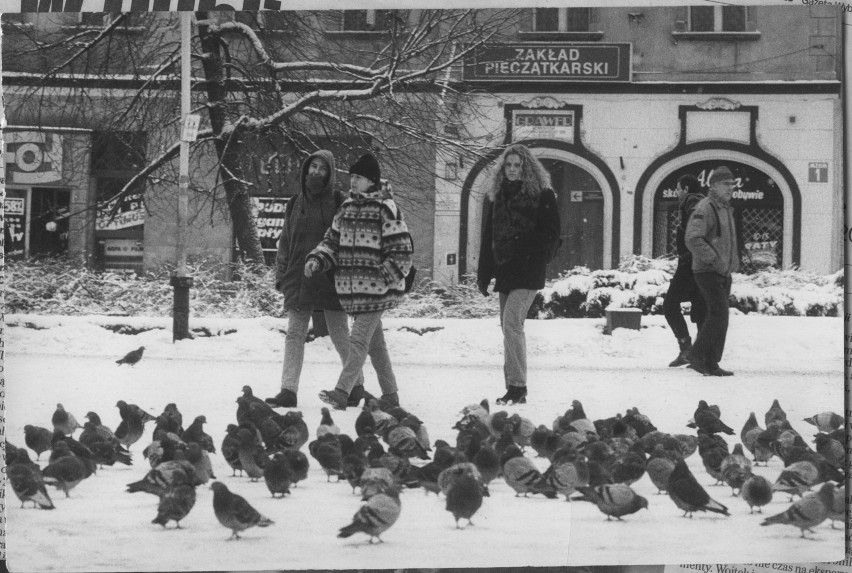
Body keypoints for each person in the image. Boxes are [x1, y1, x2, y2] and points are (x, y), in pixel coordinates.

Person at [307, 152, 414, 411]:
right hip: (354, 292)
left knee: (358, 341)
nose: (353, 182)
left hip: (377, 292)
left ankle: (342, 391)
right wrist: (317, 260)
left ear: (372, 181)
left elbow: (402, 252)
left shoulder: (386, 209)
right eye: (352, 177)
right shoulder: (346, 209)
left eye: (359, 178)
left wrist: (382, 280)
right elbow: (331, 242)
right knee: (376, 346)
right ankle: (391, 395)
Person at [265, 150, 367, 409]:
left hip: (330, 279)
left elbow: (347, 241)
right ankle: (288, 390)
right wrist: (281, 274)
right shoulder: (294, 203)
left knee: (339, 333)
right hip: (299, 277)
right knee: (294, 334)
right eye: (312, 166)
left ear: (329, 173)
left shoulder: (338, 201)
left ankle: (356, 386)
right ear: (305, 169)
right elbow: (285, 241)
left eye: (322, 168)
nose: (315, 172)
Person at [477, 144, 561, 405]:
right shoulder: (497, 196)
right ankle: (513, 386)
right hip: (506, 270)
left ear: (527, 169)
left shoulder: (543, 195)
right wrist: (484, 273)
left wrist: (525, 245)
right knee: (508, 327)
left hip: (528, 269)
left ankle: (518, 386)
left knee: (512, 324)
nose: (512, 170)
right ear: (503, 168)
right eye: (509, 165)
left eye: (517, 165)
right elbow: (488, 237)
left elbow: (552, 236)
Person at [685, 165, 739, 377]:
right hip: (707, 271)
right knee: (718, 315)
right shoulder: (705, 207)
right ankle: (697, 355)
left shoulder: (724, 208)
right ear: (714, 186)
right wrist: (714, 260)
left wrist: (730, 262)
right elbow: (693, 238)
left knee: (719, 317)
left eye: (732, 184)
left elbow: (725, 240)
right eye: (726, 184)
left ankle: (712, 362)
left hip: (721, 272)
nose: (731, 188)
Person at [662, 174, 707, 367]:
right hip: (699, 264)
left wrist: (688, 256)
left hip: (690, 264)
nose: (677, 192)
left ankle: (687, 348)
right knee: (700, 308)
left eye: (679, 188)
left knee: (670, 304)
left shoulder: (692, 205)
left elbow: (694, 234)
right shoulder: (701, 204)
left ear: (686, 189)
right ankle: (699, 354)